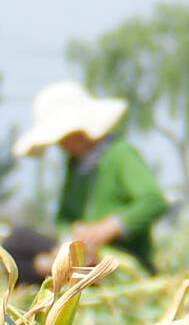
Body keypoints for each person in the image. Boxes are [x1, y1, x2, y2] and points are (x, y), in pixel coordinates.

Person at [11, 79, 165, 276]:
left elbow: (154, 200)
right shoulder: (74, 165)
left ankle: (62, 270)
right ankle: (59, 268)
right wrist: (72, 236)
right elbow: (64, 217)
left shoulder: (120, 154)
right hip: (82, 251)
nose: (61, 144)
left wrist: (106, 229)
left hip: (116, 258)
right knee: (16, 244)